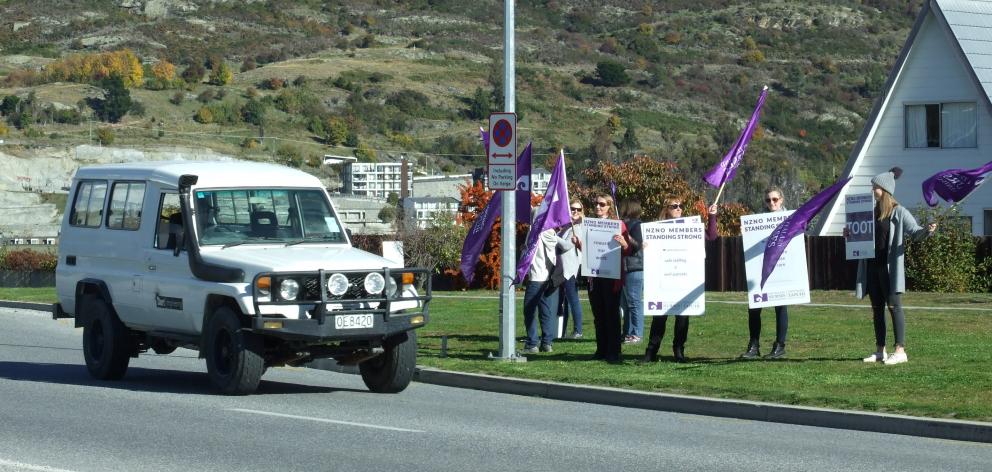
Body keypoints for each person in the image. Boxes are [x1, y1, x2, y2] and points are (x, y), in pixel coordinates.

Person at [845, 167, 936, 365]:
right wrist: (849, 235)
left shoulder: (899, 212)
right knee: (877, 309)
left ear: (885, 189)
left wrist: (927, 231)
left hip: (890, 270)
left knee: (894, 307)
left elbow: (916, 233)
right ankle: (880, 351)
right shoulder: (871, 213)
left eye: (875, 187)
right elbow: (861, 237)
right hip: (872, 267)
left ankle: (900, 351)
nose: (873, 190)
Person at [642, 197, 718, 363]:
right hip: (663, 278)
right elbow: (650, 250)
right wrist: (645, 247)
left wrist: (712, 216)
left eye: (680, 206)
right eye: (674, 206)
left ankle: (679, 350)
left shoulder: (690, 227)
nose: (678, 208)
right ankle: (651, 351)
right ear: (666, 209)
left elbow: (711, 236)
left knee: (682, 316)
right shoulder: (656, 229)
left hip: (684, 277)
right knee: (659, 316)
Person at [740, 186, 792, 359]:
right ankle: (754, 346)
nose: (771, 203)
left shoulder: (790, 219)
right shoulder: (758, 220)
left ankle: (780, 346)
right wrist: (745, 234)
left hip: (782, 268)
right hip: (761, 269)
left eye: (775, 199)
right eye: (768, 200)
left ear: (781, 200)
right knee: (754, 307)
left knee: (780, 307)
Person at [587, 192, 628, 364]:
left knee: (611, 314)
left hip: (612, 276)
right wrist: (579, 243)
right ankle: (601, 349)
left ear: (609, 207)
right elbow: (588, 250)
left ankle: (614, 351)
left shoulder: (618, 225)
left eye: (602, 204)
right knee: (598, 314)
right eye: (596, 203)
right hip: (595, 275)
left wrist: (624, 244)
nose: (598, 207)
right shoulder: (589, 224)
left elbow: (628, 250)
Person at [521, 225, 575, 354]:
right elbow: (566, 246)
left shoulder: (540, 232)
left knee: (529, 310)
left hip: (537, 277)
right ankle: (547, 343)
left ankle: (532, 343)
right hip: (547, 277)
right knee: (545, 311)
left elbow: (567, 246)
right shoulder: (548, 232)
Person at [558, 198, 585, 339]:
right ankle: (562, 331)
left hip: (571, 269)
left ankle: (578, 330)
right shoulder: (567, 226)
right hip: (562, 269)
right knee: (566, 301)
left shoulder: (579, 227)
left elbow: (567, 245)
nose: (575, 211)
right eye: (572, 209)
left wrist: (551, 236)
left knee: (573, 299)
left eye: (578, 209)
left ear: (582, 212)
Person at [619, 199, 644, 344]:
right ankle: (627, 332)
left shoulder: (636, 225)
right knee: (625, 303)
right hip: (623, 267)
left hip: (634, 267)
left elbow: (638, 245)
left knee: (634, 301)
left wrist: (627, 237)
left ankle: (637, 333)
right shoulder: (622, 224)